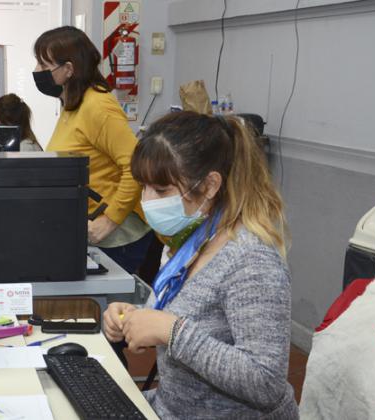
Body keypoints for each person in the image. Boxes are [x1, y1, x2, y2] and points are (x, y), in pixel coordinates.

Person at [103, 111, 299, 418]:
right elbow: (188, 313)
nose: (147, 200)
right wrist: (134, 318)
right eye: (144, 187)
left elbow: (266, 382)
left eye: (162, 190)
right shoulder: (192, 240)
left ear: (209, 185)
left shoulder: (251, 261)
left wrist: (170, 331)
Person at [32, 26, 152, 275]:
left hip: (116, 237)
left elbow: (136, 166)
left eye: (44, 65)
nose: (37, 72)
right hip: (87, 228)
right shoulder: (72, 104)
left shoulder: (97, 106)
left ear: (68, 69)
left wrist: (110, 220)